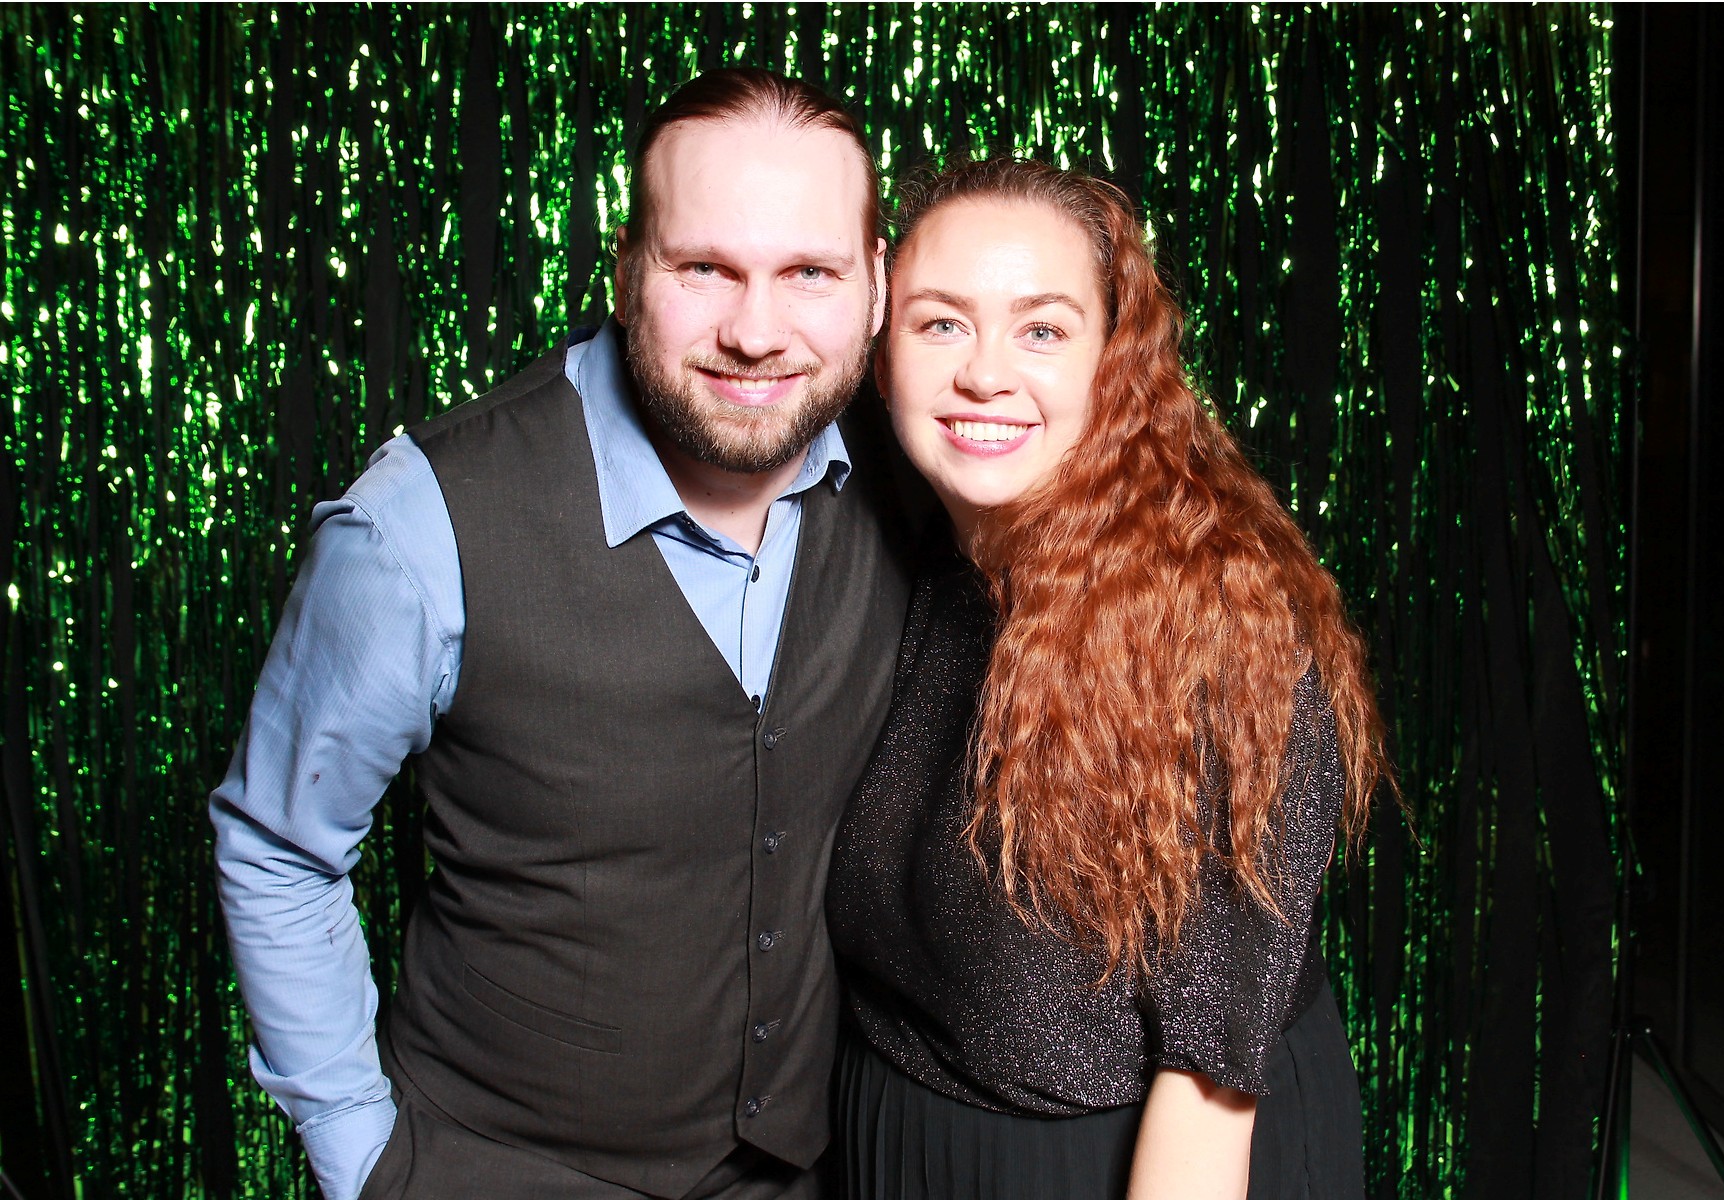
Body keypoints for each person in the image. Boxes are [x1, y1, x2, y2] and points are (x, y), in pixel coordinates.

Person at [210, 68, 909, 1200]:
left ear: (877, 285)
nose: (755, 331)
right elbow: (279, 845)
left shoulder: (920, 480)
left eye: (810, 273)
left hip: (798, 1169)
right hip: (489, 1167)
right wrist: (363, 1155)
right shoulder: (420, 520)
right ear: (627, 270)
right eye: (704, 268)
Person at [826, 159, 1389, 1199]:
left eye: (1041, 330)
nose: (985, 374)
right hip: (902, 1140)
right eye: (941, 323)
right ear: (880, 349)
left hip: (1111, 1162)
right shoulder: (928, 550)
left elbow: (1209, 1077)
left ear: (1114, 362)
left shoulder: (1219, 621)